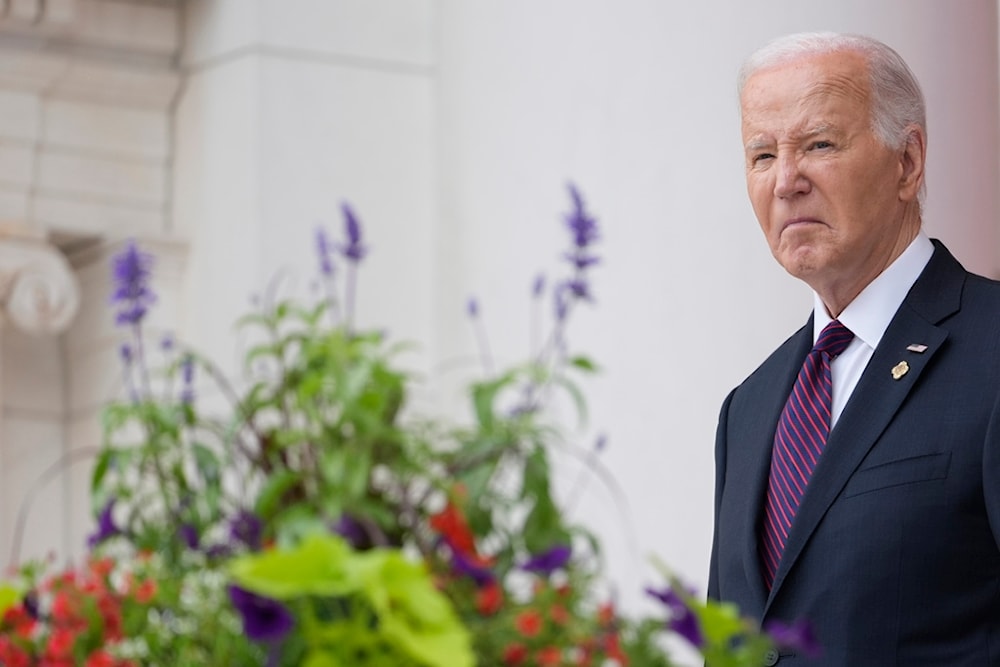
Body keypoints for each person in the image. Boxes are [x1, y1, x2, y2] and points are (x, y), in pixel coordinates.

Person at [708, 32, 1000, 665]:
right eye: (761, 155)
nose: (786, 182)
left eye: (819, 145)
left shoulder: (992, 350)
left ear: (908, 162)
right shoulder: (747, 410)